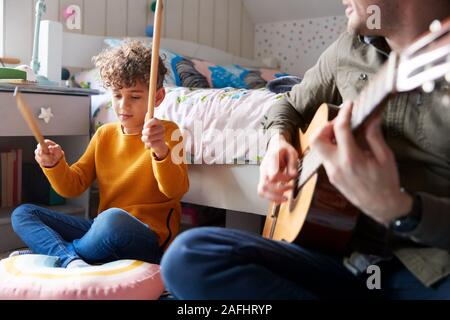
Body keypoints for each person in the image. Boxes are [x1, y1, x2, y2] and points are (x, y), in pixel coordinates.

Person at [160, 0, 450, 299]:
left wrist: (400, 209)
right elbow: (289, 105)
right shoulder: (347, 49)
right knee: (189, 256)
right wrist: (277, 143)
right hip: (341, 254)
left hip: (431, 266)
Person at [11, 40, 189, 268]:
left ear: (157, 97)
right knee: (24, 214)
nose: (123, 105)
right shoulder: (105, 134)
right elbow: (72, 186)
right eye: (117, 96)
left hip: (146, 240)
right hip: (101, 231)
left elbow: (176, 190)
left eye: (135, 97)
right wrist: (55, 164)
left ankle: (59, 254)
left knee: (111, 219)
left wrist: (160, 150)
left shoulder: (168, 132)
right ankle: (73, 260)